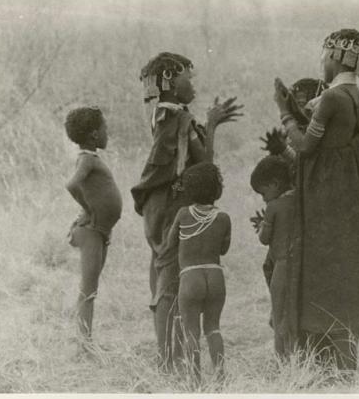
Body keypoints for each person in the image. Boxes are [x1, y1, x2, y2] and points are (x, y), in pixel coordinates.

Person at [273, 29, 359, 377]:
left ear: (335, 57)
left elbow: (307, 147)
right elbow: (334, 141)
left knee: (322, 282)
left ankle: (324, 368)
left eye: (325, 56)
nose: (322, 63)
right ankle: (341, 366)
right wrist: (299, 110)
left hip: (328, 207)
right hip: (352, 203)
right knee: (345, 281)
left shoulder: (331, 99)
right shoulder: (358, 97)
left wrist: (285, 112)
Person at [130, 52, 242, 371]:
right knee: (169, 283)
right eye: (188, 78)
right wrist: (214, 125)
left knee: (165, 279)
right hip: (170, 208)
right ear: (170, 81)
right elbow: (203, 164)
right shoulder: (176, 119)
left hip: (160, 207)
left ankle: (169, 356)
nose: (193, 84)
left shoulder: (169, 115)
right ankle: (169, 360)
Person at [166, 162, 231, 384]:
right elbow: (223, 249)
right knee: (213, 328)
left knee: (191, 331)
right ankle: (221, 378)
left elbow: (169, 244)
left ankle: (195, 381)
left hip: (190, 276)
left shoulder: (183, 214)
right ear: (217, 190)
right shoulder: (223, 218)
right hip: (215, 276)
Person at [65, 107, 122, 347]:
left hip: (99, 232)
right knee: (88, 291)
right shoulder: (87, 159)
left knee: (91, 290)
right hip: (90, 232)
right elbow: (72, 184)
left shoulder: (91, 157)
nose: (108, 133)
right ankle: (84, 345)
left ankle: (85, 340)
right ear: (94, 135)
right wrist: (88, 210)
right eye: (105, 129)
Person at [250, 156, 295, 358]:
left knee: (278, 317)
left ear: (275, 184)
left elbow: (264, 239)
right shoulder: (300, 200)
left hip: (282, 266)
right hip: (301, 265)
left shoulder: (274, 206)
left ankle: (282, 362)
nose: (263, 198)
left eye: (263, 192)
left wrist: (261, 226)